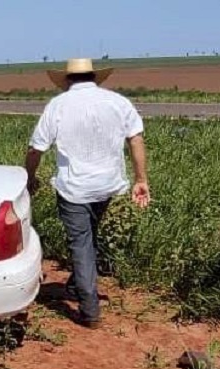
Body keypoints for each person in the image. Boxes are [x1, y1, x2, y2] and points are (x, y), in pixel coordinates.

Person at [25, 58, 150, 329]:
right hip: (107, 184)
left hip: (74, 189)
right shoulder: (118, 102)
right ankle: (78, 282)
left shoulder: (58, 105)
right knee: (89, 234)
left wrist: (30, 177)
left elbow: (36, 149)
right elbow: (136, 139)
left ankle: (89, 310)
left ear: (67, 80)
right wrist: (141, 180)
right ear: (95, 77)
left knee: (81, 242)